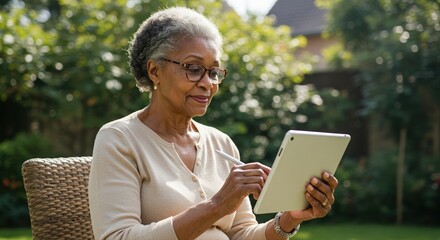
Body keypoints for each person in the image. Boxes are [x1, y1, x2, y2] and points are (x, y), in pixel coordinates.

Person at [88, 6, 338, 240]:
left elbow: (241, 232)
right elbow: (117, 236)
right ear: (155, 71)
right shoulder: (120, 139)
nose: (208, 83)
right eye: (194, 69)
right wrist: (217, 205)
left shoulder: (221, 144)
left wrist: (289, 219)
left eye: (214, 72)